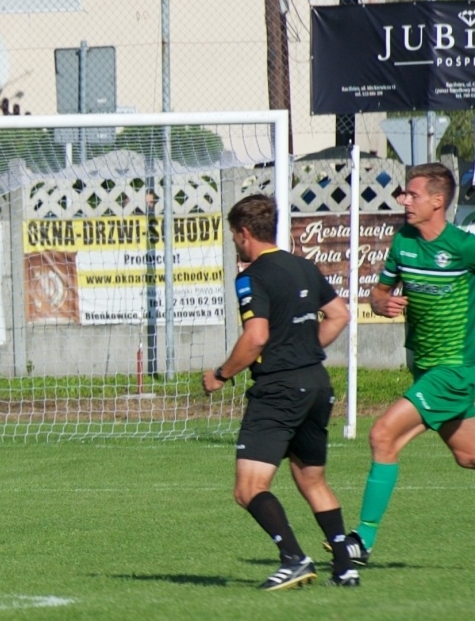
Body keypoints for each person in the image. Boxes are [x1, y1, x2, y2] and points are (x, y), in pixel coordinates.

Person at [202, 194, 352, 589]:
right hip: (317, 385)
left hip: (279, 389)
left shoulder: (253, 276)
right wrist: (307, 349)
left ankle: (294, 558)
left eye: (235, 236)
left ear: (244, 233)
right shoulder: (303, 266)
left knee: (248, 488)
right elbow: (340, 314)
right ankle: (344, 566)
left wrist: (221, 374)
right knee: (312, 480)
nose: (235, 243)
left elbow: (256, 338)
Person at [336, 163, 475, 572]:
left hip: (454, 371)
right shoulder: (403, 243)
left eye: (411, 194)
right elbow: (378, 295)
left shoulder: (464, 248)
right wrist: (382, 303)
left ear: (437, 201)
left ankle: (362, 539)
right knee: (468, 456)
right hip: (425, 369)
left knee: (382, 435)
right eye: (403, 194)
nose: (403, 200)